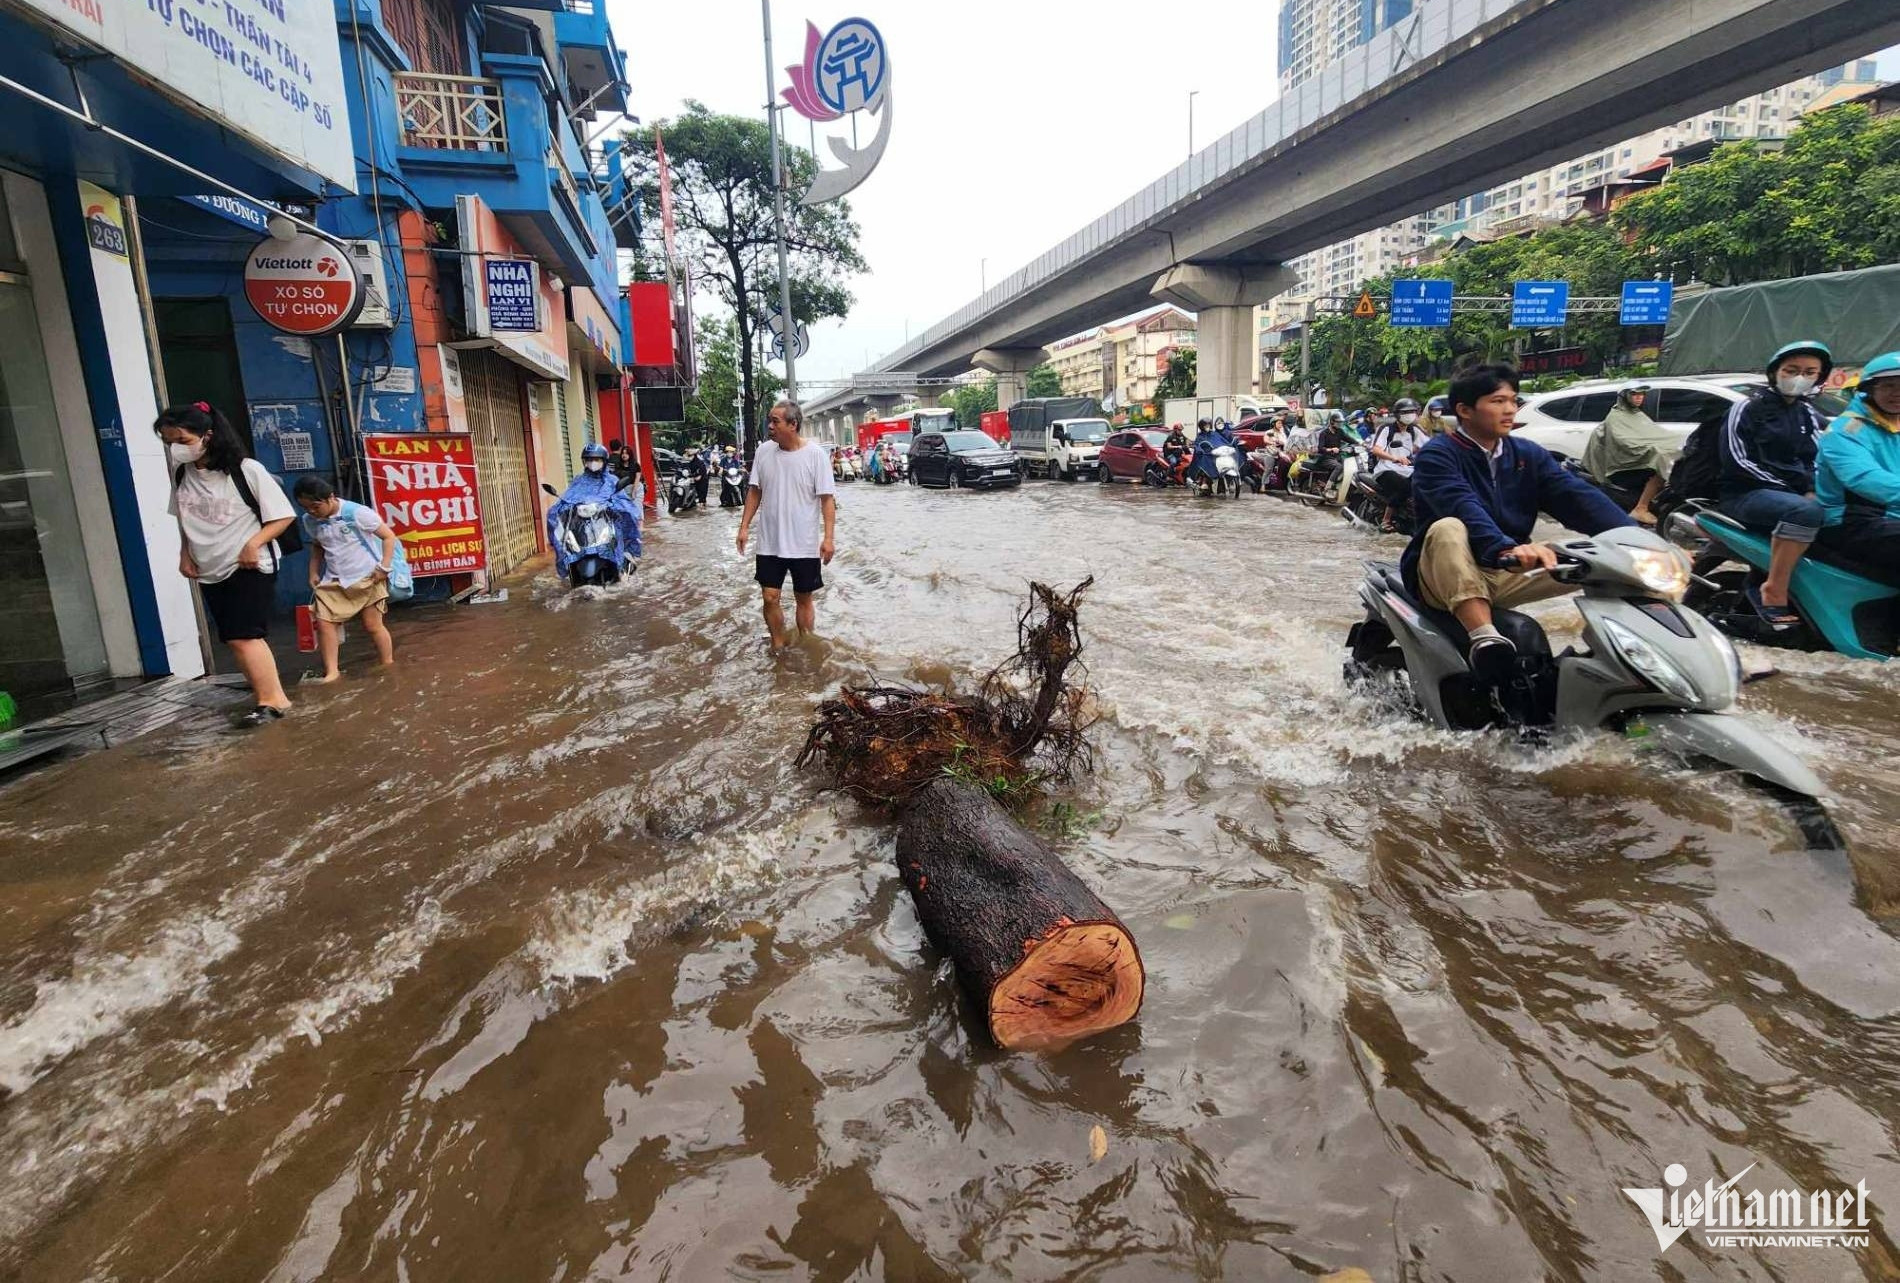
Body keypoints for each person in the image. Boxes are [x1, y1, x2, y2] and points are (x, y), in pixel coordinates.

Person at [1403, 364, 1636, 684]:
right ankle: (1484, 638)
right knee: (1449, 527)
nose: (1510, 409)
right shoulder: (1438, 455)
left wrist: (1637, 541)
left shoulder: (1529, 455)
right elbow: (1463, 505)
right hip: (1444, 573)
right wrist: (1505, 548)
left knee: (1610, 565)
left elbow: (1579, 498)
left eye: (1513, 400)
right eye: (1498, 401)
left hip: (1507, 567)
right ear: (1465, 410)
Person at [157, 402, 297, 726]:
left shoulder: (245, 470)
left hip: (248, 564)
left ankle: (273, 701)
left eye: (181, 440)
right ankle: (268, 696)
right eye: (168, 442)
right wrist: (184, 552)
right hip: (209, 566)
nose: (175, 449)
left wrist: (253, 544)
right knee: (233, 638)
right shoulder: (182, 474)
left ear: (207, 435)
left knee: (245, 635)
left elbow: (284, 516)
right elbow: (185, 518)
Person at [1717, 340, 1833, 628]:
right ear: (1775, 372)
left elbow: (1824, 458)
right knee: (1806, 513)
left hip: (1795, 496)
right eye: (1792, 370)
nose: (1799, 378)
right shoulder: (1746, 408)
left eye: (1809, 372)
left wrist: (1816, 487)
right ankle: (1774, 589)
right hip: (1746, 493)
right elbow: (1737, 461)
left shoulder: (1808, 414)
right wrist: (1797, 492)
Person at [737, 400, 836, 650]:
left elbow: (827, 499)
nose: (770, 426)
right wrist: (744, 527)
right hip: (769, 542)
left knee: (803, 598)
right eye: (769, 420)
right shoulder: (763, 452)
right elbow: (754, 492)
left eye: (775, 421)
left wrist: (828, 538)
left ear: (793, 425)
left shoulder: (815, 456)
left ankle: (805, 644)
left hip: (803, 544)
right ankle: (778, 646)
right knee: (769, 597)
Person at [293, 476, 397, 682]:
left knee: (372, 625)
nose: (312, 512)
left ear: (330, 498)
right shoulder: (310, 521)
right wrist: (313, 572)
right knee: (325, 623)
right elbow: (317, 546)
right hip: (335, 580)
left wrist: (384, 567)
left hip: (369, 577)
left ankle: (388, 663)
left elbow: (389, 536)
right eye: (306, 508)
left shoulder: (356, 513)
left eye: (315, 506)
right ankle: (332, 671)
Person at [1815, 350, 1900, 586]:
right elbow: (1865, 478)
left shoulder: (1895, 424)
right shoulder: (1845, 431)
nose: (1897, 393)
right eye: (1888, 386)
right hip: (1852, 519)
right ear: (1869, 389)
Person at [1581, 384, 1679, 525]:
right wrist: (1650, 449)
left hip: (1638, 460)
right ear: (1625, 396)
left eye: (1642, 394)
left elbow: (1655, 433)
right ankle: (1641, 508)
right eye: (1634, 394)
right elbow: (1624, 441)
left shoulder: (1637, 414)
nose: (1639, 397)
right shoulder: (1615, 416)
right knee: (1659, 466)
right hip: (1623, 465)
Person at [546, 442, 642, 576]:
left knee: (627, 519)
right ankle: (566, 563)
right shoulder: (578, 480)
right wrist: (563, 506)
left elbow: (622, 501)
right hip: (582, 525)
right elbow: (568, 497)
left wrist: (611, 506)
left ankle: (625, 557)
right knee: (552, 514)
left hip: (606, 521)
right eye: (589, 460)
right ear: (584, 462)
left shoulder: (611, 480)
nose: (593, 463)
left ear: (604, 461)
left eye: (596, 459)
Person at [1368, 397, 1429, 528]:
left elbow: (1430, 444)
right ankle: (1386, 519)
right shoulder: (1386, 429)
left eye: (1412, 412)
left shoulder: (1414, 430)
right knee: (1406, 486)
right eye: (1406, 413)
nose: (1409, 416)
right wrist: (1394, 458)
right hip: (1386, 468)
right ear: (1397, 414)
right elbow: (1376, 449)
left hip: (1407, 468)